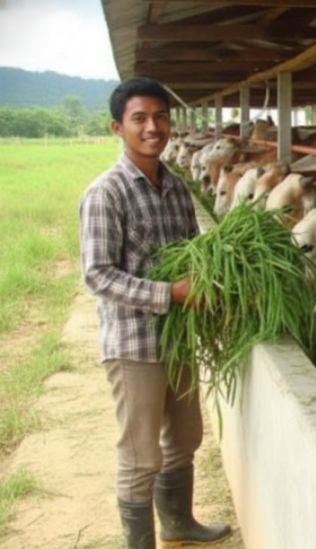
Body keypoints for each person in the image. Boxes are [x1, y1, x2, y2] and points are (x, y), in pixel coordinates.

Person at [79, 77, 231, 548]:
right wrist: (172, 294)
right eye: (139, 118)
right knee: (140, 455)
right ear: (117, 127)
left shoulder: (178, 187)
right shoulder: (107, 193)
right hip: (134, 344)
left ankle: (178, 523)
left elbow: (193, 254)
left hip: (178, 338)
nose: (152, 127)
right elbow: (98, 275)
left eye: (160, 117)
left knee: (184, 438)